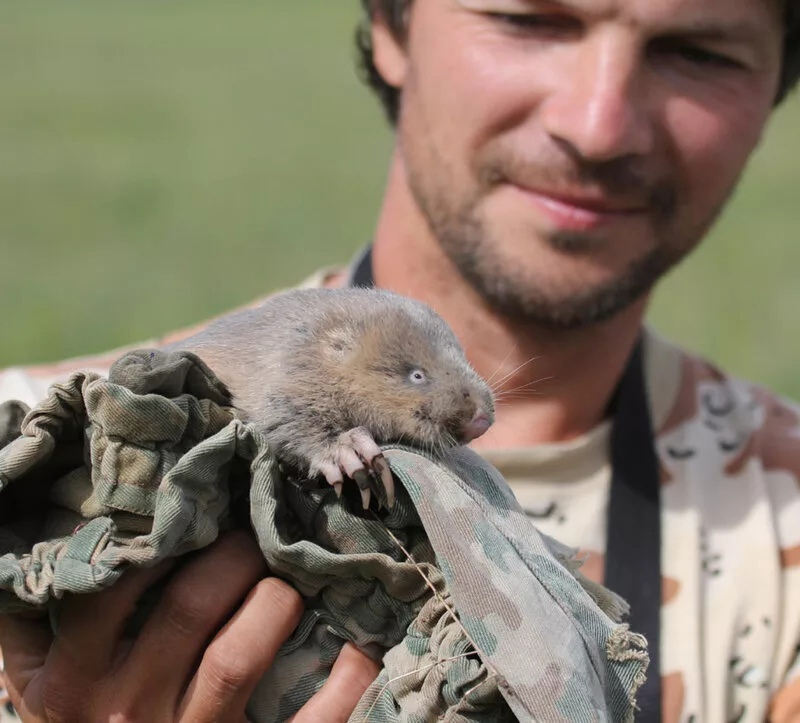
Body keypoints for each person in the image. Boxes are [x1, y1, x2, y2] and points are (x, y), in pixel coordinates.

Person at [1, 0, 799, 720]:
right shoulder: (40, 466)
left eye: (698, 51)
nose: (597, 124)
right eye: (529, 19)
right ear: (391, 23)